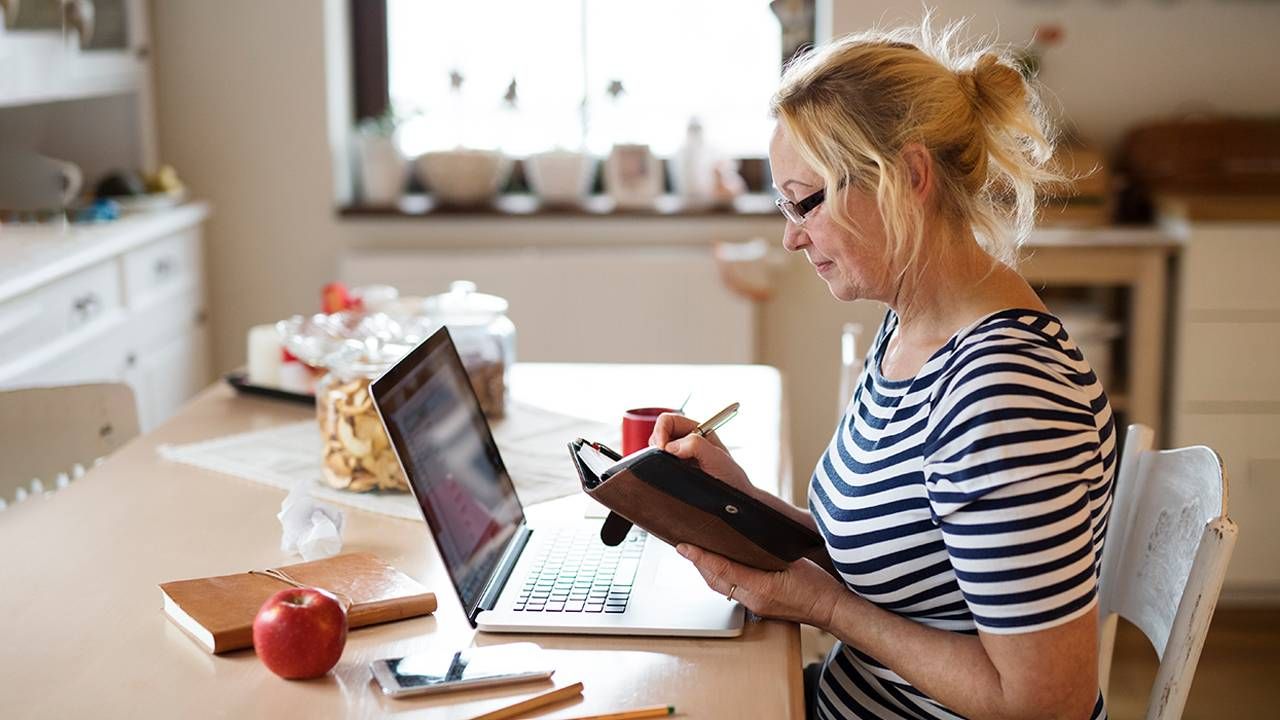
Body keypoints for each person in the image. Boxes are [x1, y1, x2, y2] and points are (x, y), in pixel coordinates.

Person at [653, 19, 1115, 720]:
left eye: (807, 201)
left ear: (909, 177)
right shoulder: (913, 326)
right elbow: (905, 563)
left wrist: (823, 606)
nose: (791, 234)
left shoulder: (1002, 396)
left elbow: (1045, 704)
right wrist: (741, 503)